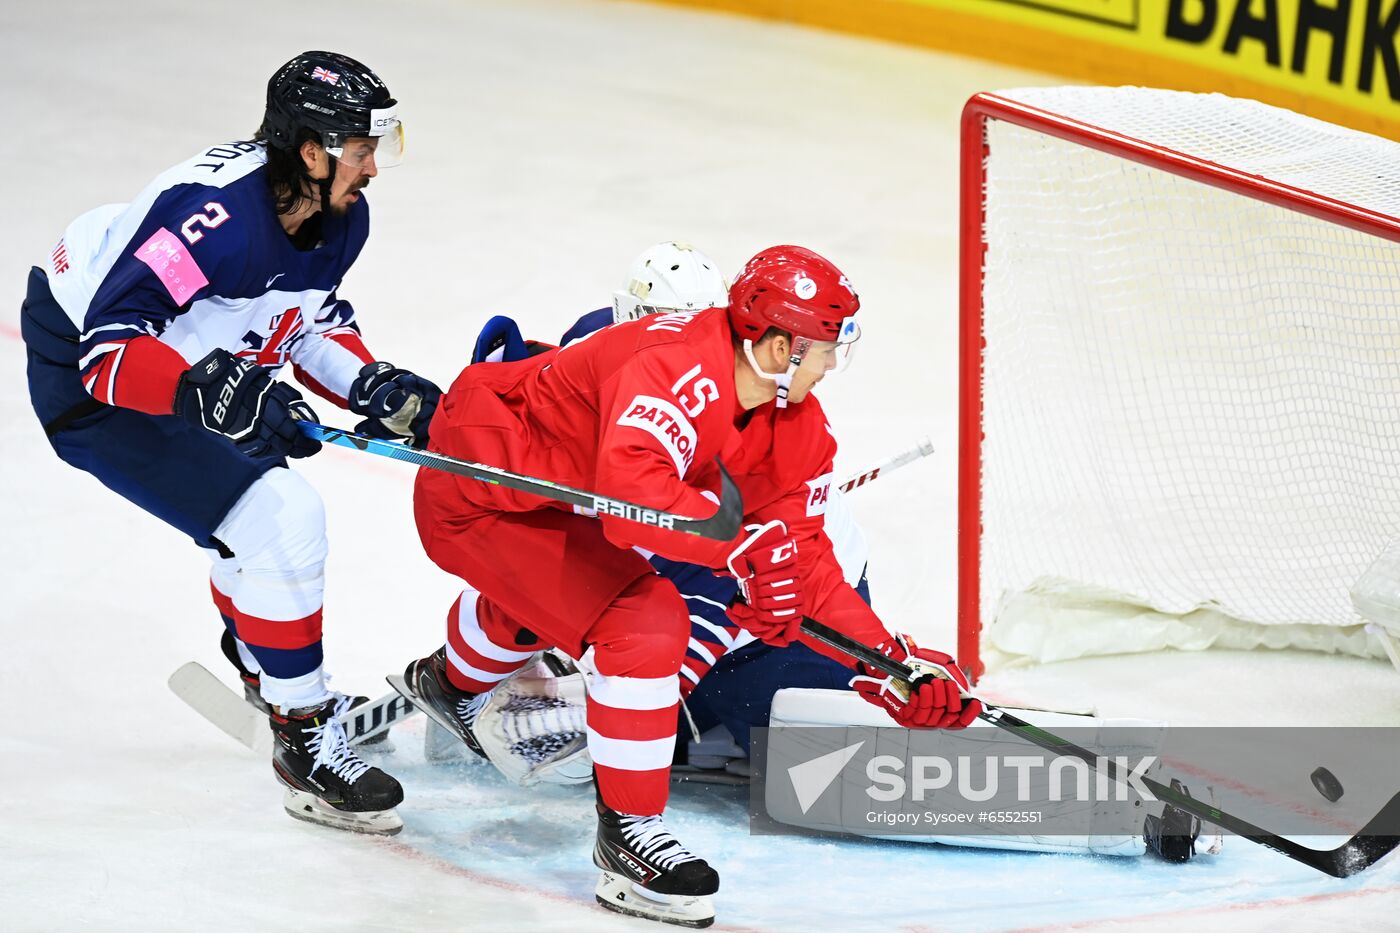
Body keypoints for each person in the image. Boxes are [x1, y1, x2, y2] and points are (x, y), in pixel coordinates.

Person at [394, 243, 981, 927]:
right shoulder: (675, 367)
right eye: (825, 346)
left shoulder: (793, 421)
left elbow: (805, 560)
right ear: (782, 345)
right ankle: (630, 839)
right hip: (487, 495)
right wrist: (742, 545)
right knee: (642, 622)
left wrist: (886, 661)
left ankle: (449, 681)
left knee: (603, 605)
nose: (831, 363)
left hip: (572, 510)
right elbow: (630, 494)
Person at [20, 51, 441, 836]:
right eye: (361, 149)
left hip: (190, 353)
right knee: (279, 518)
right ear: (310, 150)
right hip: (92, 382)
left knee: (252, 519)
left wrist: (369, 384)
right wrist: (207, 391)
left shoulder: (341, 214)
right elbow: (107, 354)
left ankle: (264, 667)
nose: (375, 167)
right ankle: (304, 738)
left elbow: (304, 322)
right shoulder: (207, 219)